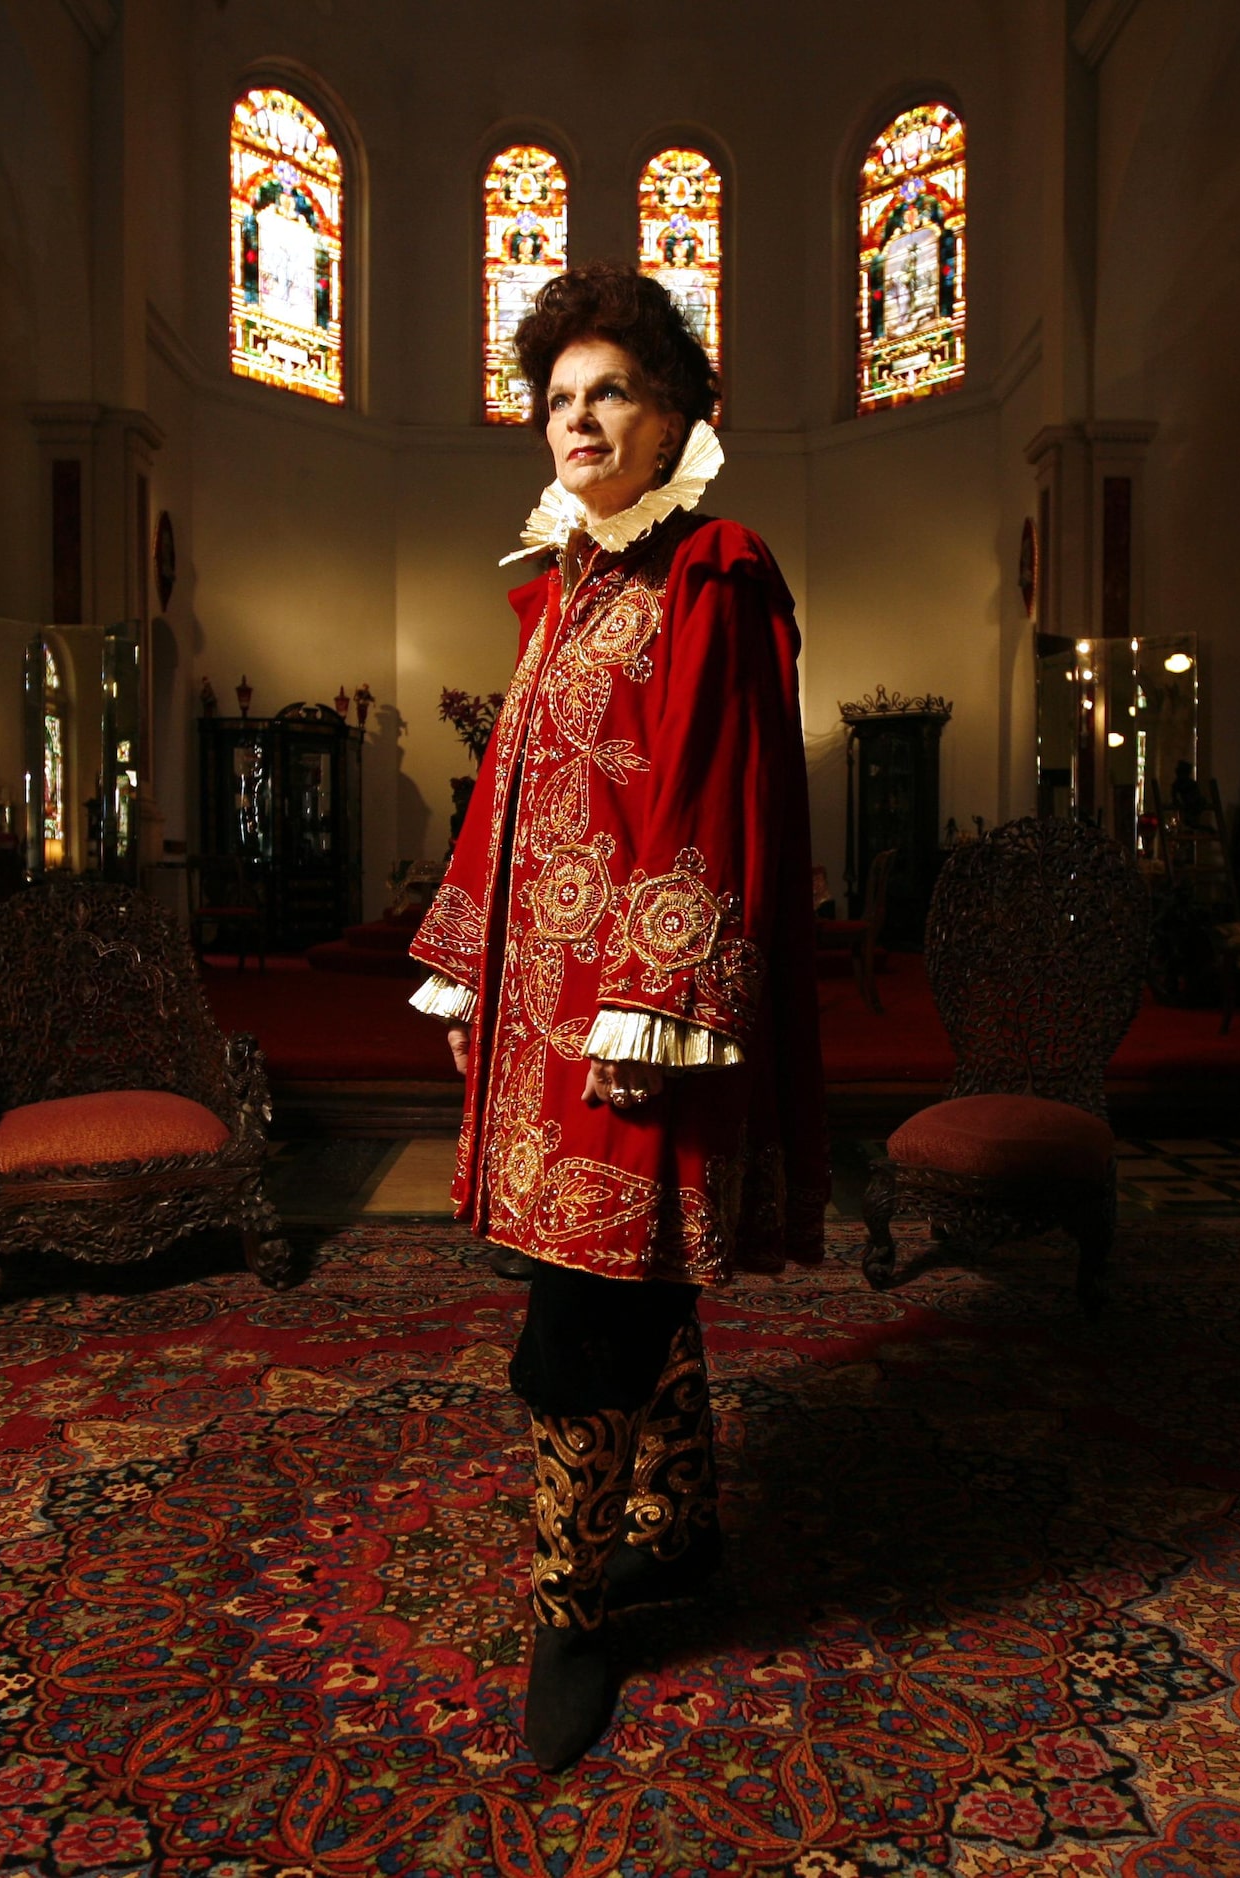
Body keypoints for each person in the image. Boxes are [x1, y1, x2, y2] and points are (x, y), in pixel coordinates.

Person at [408, 261, 828, 1770]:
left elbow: (712, 798)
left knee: (577, 1320)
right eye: (559, 396)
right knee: (626, 1272)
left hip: (642, 1020)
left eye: (610, 394)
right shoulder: (562, 591)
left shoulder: (712, 572)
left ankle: (571, 1614)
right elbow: (510, 804)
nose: (577, 418)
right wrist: (468, 971)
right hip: (542, 1020)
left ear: (675, 420)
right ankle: (687, 1521)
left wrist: (657, 1008)